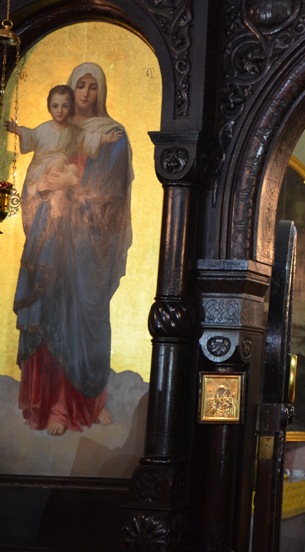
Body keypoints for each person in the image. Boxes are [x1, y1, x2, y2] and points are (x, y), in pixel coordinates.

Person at [13, 62, 134, 436]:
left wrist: (74, 189)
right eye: (79, 86)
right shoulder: (56, 132)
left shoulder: (112, 135)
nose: (85, 93)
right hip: (51, 240)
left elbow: (111, 194)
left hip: (89, 246)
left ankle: (88, 401)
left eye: (92, 87)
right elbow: (35, 178)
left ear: (101, 92)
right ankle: (54, 404)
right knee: (52, 313)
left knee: (85, 317)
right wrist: (43, 190)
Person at [6, 85, 122, 229]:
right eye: (55, 106)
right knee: (59, 161)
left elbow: (87, 139)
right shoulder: (44, 129)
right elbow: (30, 136)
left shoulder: (74, 132)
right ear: (49, 108)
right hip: (40, 171)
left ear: (71, 107)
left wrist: (106, 138)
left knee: (72, 169)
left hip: (60, 170)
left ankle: (57, 206)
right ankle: (45, 190)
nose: (60, 111)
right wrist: (18, 131)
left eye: (64, 106)